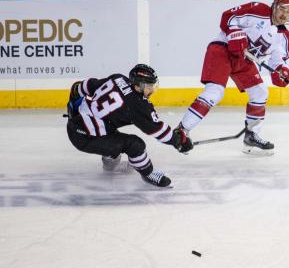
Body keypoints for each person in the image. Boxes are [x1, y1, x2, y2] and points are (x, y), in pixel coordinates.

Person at [176, 0, 289, 155]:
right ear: (275, 5)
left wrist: (282, 72)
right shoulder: (258, 10)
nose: (285, 14)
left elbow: (277, 63)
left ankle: (251, 136)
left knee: (260, 92)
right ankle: (182, 131)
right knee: (215, 92)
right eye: (283, 9)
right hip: (222, 49)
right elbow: (228, 17)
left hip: (243, 60)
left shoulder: (285, 38)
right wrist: (235, 34)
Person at [65, 64, 194, 188]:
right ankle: (148, 174)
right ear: (138, 86)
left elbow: (85, 85)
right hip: (86, 138)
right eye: (149, 86)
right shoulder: (137, 105)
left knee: (111, 134)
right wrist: (179, 141)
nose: (152, 90)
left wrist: (72, 103)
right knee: (135, 145)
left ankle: (110, 162)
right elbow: (158, 130)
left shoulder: (118, 78)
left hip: (77, 124)